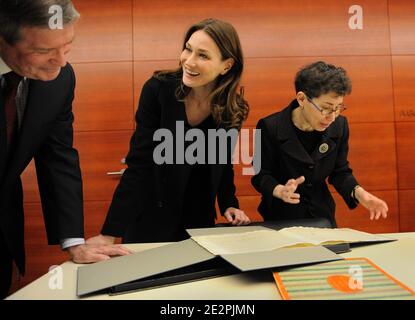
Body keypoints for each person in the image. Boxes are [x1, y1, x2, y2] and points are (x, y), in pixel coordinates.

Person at [0, 0, 129, 299]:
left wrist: (73, 240)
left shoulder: (60, 81)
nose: (59, 62)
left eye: (67, 46)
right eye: (43, 51)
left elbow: (58, 156)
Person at [87, 18, 251, 245]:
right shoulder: (157, 90)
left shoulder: (233, 107)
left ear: (227, 65)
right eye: (188, 49)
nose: (189, 61)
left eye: (202, 55)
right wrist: (109, 232)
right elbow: (140, 164)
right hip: (150, 219)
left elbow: (222, 162)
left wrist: (229, 203)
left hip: (198, 222)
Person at [251, 61, 388, 227]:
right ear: (302, 99)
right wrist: (278, 190)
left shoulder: (339, 126)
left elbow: (340, 172)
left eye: (338, 108)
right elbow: (260, 175)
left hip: (322, 216)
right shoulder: (270, 127)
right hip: (281, 218)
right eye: (326, 108)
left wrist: (360, 194)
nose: (332, 117)